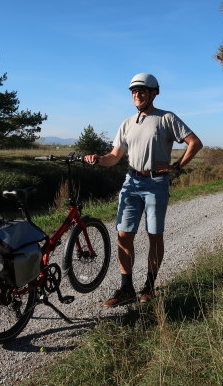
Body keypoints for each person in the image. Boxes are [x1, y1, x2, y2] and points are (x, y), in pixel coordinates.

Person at [85, 73, 203, 306]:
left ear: (153, 93)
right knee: (124, 235)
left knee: (154, 235)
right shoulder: (127, 123)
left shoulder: (167, 118)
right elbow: (114, 157)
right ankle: (126, 288)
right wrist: (97, 159)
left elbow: (195, 143)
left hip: (156, 183)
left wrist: (176, 167)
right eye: (134, 91)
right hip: (131, 182)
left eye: (142, 91)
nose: (137, 94)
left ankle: (149, 286)